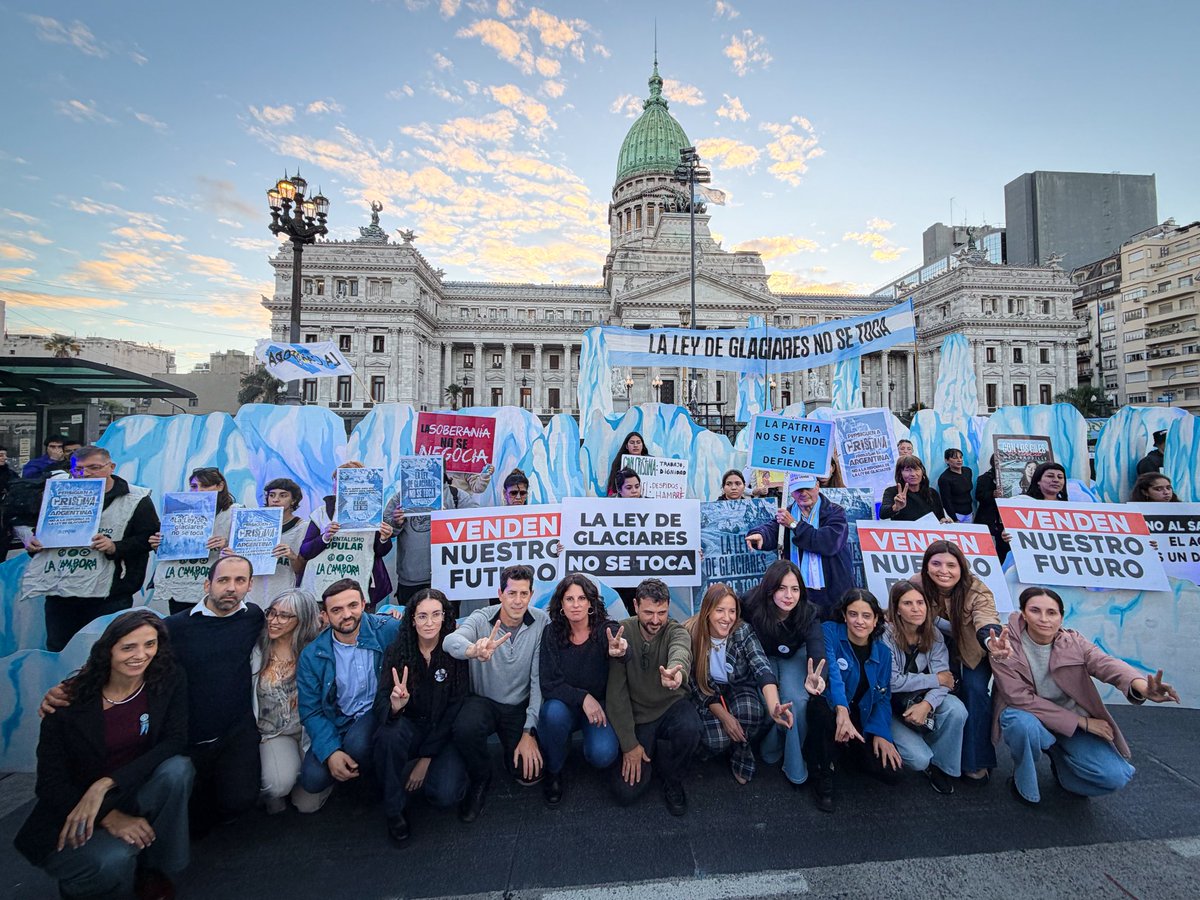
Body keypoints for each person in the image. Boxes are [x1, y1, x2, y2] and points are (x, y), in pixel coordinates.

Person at [16, 610, 193, 900]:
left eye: (150, 644)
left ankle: (155, 870)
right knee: (113, 858)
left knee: (178, 770)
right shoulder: (68, 703)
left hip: (127, 787)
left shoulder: (166, 679)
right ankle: (81, 884)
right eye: (128, 647)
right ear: (107, 649)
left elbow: (175, 741)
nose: (141, 655)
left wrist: (107, 783)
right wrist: (108, 816)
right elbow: (50, 784)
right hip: (76, 803)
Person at [992, 586, 1181, 806]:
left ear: (1061, 617)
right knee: (1021, 723)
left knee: (1115, 776)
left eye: (1051, 613)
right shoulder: (1005, 644)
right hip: (1033, 718)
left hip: (1070, 724)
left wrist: (1141, 686)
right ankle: (1022, 780)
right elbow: (1019, 698)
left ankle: (1062, 766)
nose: (1044, 619)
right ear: (1023, 613)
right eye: (1035, 610)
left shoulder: (1074, 642)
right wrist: (1083, 723)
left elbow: (1107, 664)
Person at [22, 445, 159, 652]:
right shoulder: (57, 494)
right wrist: (33, 542)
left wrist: (116, 546)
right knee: (60, 650)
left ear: (111, 466)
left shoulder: (136, 498)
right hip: (62, 590)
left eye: (94, 467)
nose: (85, 474)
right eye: (78, 469)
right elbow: (41, 530)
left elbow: (149, 538)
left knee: (106, 652)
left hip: (111, 593)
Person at [445, 564, 548, 822]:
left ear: (531, 594)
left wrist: (529, 731)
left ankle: (510, 750)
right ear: (500, 593)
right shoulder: (481, 618)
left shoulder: (541, 621)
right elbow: (450, 642)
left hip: (518, 705)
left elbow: (538, 680)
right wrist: (473, 650)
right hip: (484, 702)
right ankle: (480, 777)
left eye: (524, 594)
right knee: (465, 727)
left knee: (528, 774)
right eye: (512, 593)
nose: (518, 600)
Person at [372, 588, 470, 846]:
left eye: (436, 615)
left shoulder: (454, 651)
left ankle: (449, 772)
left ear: (445, 617)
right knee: (388, 734)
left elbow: (455, 708)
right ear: (412, 619)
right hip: (409, 727)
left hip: (442, 732)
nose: (429, 623)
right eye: (423, 616)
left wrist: (426, 759)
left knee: (445, 795)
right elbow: (381, 700)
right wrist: (395, 707)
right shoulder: (397, 650)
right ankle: (394, 811)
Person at [297, 578, 402, 804]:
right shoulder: (312, 655)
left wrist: (394, 609)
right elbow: (311, 711)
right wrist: (330, 751)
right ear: (324, 615)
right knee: (312, 779)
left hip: (376, 712)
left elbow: (422, 616)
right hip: (338, 720)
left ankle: (371, 783)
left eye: (352, 606)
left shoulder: (387, 630)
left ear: (363, 604)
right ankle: (350, 767)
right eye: (336, 609)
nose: (347, 614)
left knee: (358, 744)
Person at [606, 577, 701, 815]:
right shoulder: (621, 633)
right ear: (635, 605)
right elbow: (616, 694)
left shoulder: (676, 630)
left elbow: (680, 651)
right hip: (639, 717)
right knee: (625, 794)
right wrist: (629, 745)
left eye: (662, 612)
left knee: (691, 727)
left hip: (671, 707)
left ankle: (673, 778)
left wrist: (676, 673)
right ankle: (652, 752)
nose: (656, 620)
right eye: (649, 612)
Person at [917, 540, 1008, 783]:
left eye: (951, 565)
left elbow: (986, 619)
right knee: (939, 694)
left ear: (962, 568)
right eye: (936, 564)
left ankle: (976, 760)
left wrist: (992, 642)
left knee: (974, 691)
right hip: (932, 649)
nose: (943, 571)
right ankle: (934, 753)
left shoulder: (977, 590)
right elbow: (896, 610)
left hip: (972, 649)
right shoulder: (917, 584)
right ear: (926, 567)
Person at [685, 583, 794, 785]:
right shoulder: (690, 633)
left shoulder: (742, 631)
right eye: (720, 610)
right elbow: (694, 685)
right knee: (715, 739)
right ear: (707, 610)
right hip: (708, 693)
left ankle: (741, 750)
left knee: (750, 713)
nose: (727, 618)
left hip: (737, 686)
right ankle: (723, 744)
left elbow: (761, 667)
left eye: (732, 611)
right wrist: (725, 717)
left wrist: (774, 706)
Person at [807, 589, 902, 812]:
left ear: (876, 619)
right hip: (831, 707)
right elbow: (835, 677)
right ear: (844, 615)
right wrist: (842, 711)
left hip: (861, 717)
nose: (859, 621)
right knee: (820, 711)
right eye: (853, 614)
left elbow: (883, 697)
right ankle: (823, 772)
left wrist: (882, 733)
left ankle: (848, 750)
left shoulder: (883, 653)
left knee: (892, 774)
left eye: (866, 616)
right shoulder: (829, 632)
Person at [537, 573, 624, 805]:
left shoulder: (605, 630)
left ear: (591, 603)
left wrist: (621, 650)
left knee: (603, 754)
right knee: (552, 714)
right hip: (565, 705)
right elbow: (549, 683)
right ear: (561, 604)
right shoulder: (552, 633)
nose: (576, 604)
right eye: (569, 599)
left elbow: (621, 646)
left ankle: (584, 745)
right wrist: (583, 697)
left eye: (582, 598)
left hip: (599, 708)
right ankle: (554, 770)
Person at [740, 560, 827, 788]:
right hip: (761, 656)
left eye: (795, 589)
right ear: (769, 589)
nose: (789, 595)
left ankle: (794, 766)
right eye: (781, 588)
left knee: (797, 701)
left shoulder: (809, 612)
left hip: (795, 656)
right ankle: (770, 745)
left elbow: (817, 648)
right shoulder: (750, 602)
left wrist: (818, 677)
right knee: (769, 705)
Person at [882, 579, 967, 795]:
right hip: (889, 707)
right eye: (908, 603)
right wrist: (935, 680)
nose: (916, 609)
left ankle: (940, 766)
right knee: (919, 759)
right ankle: (925, 760)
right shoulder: (885, 636)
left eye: (920, 603)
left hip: (919, 700)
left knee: (956, 709)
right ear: (897, 609)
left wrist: (928, 704)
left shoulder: (934, 634)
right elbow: (892, 681)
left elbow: (946, 679)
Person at [254, 589, 328, 815]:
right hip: (273, 733)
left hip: (310, 730)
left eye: (284, 616)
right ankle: (274, 787)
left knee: (307, 805)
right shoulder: (256, 647)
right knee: (277, 785)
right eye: (272, 612)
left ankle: (309, 779)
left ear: (303, 619)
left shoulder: (318, 648)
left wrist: (391, 612)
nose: (274, 620)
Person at [745, 474, 853, 619]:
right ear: (791, 492)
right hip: (801, 594)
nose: (803, 493)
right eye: (798, 490)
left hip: (833, 591)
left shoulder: (835, 512)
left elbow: (828, 543)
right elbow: (773, 529)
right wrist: (760, 535)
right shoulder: (789, 513)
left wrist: (794, 525)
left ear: (817, 486)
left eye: (807, 488)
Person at [302, 462, 395, 606]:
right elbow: (305, 551)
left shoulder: (372, 515)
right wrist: (324, 537)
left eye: (348, 481)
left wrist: (384, 538)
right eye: (337, 480)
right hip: (323, 590)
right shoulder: (321, 513)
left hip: (362, 589)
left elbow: (379, 551)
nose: (340, 485)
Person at [149, 466, 241, 614]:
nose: (198, 490)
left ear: (220, 486)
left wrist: (226, 544)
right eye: (193, 486)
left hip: (214, 584)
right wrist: (159, 545)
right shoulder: (179, 510)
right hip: (180, 583)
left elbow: (245, 551)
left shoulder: (235, 512)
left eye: (205, 486)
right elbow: (171, 547)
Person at [386, 470, 478, 604]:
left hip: (447, 578)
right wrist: (396, 522)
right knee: (411, 622)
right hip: (411, 579)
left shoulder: (456, 496)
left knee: (447, 622)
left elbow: (477, 526)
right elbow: (385, 529)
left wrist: (451, 520)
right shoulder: (402, 497)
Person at [245, 477, 308, 608]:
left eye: (283, 495)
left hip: (283, 591)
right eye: (271, 495)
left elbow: (300, 569)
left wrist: (291, 555)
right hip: (253, 593)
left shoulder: (302, 527)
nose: (275, 499)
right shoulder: (251, 524)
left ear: (294, 500)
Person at [880, 455, 950, 523]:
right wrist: (896, 507)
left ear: (922, 472)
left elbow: (940, 517)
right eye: (908, 470)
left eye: (916, 469)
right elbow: (882, 514)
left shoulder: (932, 493)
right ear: (900, 473)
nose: (913, 474)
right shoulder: (892, 492)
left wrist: (944, 521)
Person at [972, 455, 1009, 563]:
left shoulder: (1013, 477)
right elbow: (979, 496)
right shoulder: (984, 478)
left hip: (1005, 519)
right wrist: (992, 494)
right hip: (989, 518)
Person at [606, 431, 649, 496]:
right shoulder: (618, 463)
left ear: (642, 445)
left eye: (638, 442)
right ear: (626, 446)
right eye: (632, 443)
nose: (635, 445)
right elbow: (612, 487)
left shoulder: (651, 462)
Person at [937, 449, 974, 523]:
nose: (959, 460)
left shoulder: (968, 471)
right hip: (956, 514)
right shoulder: (944, 478)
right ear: (947, 460)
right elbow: (946, 501)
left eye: (960, 457)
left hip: (969, 512)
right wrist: (954, 518)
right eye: (955, 458)